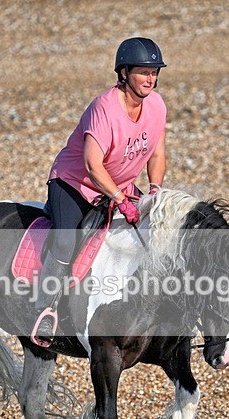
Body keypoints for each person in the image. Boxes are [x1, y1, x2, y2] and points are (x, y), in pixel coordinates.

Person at [31, 37, 168, 346]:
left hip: (119, 187)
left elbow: (157, 154)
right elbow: (92, 165)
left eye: (155, 72)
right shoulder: (104, 108)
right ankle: (46, 308)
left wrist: (154, 190)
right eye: (143, 72)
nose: (151, 79)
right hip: (75, 184)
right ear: (124, 73)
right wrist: (121, 199)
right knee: (67, 240)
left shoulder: (156, 106)